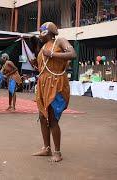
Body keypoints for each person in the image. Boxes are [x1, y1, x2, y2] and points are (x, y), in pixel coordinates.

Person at [30, 22, 76, 162]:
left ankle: (57, 152)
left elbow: (73, 54)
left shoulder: (60, 41)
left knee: (53, 118)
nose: (39, 36)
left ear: (48, 32)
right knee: (43, 117)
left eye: (41, 32)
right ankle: (46, 148)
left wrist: (51, 53)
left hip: (56, 83)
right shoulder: (42, 47)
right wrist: (36, 63)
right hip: (44, 84)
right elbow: (43, 68)